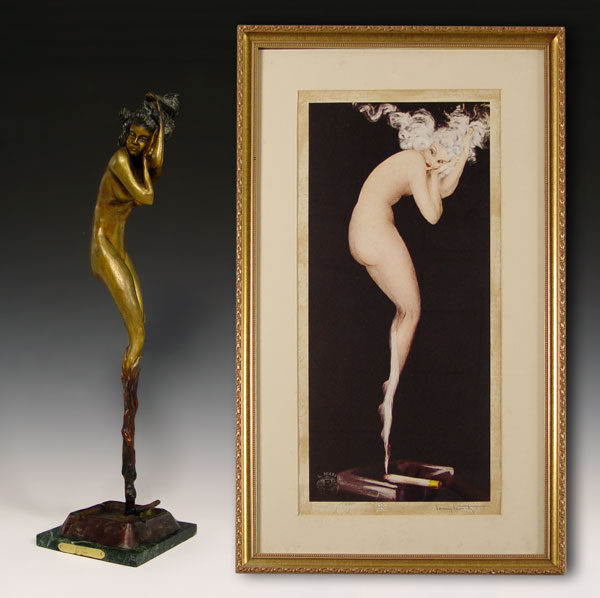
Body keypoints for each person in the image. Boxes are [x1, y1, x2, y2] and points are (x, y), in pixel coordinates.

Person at [348, 104, 489, 473]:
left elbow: (442, 191)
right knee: (412, 312)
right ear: (431, 142)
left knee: (404, 311)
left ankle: (390, 392)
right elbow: (433, 214)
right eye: (440, 152)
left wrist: (456, 162)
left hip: (362, 233)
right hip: (374, 231)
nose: (438, 161)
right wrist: (443, 167)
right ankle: (391, 389)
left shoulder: (418, 165)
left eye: (445, 159)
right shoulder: (414, 160)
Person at [91, 92, 180, 374]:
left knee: (140, 321)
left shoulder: (138, 165)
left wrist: (160, 130)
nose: (134, 142)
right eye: (131, 135)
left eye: (142, 139)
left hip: (118, 249)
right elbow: (146, 197)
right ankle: (129, 394)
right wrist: (144, 160)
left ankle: (130, 397)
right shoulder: (120, 161)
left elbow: (158, 166)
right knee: (137, 336)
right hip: (103, 246)